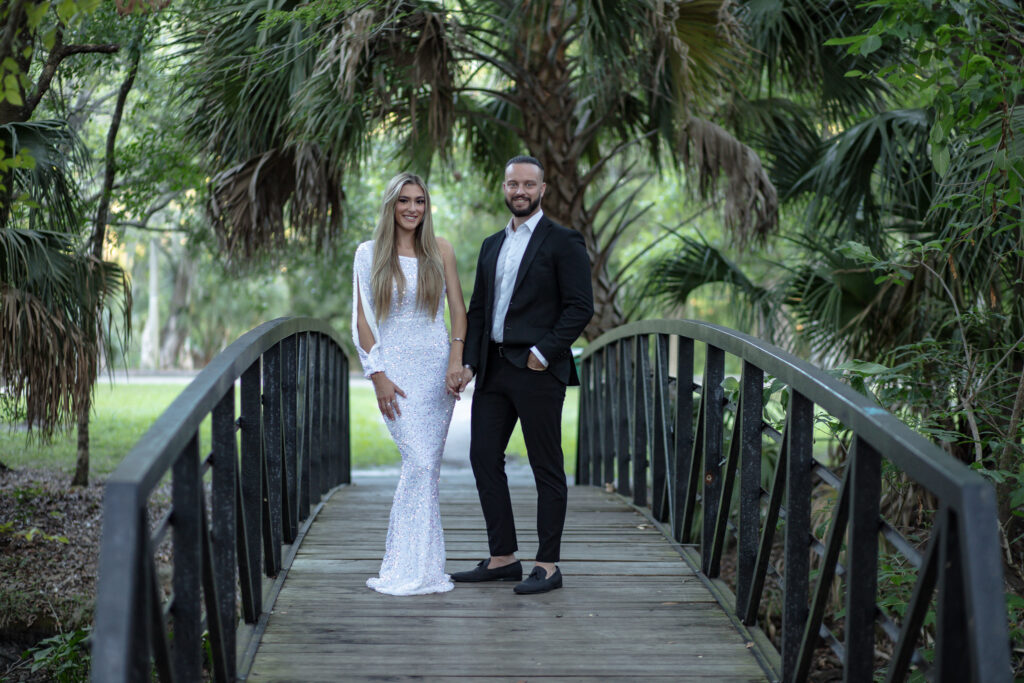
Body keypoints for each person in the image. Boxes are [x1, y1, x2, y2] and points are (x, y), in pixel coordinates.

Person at [452, 155, 594, 594]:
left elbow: (579, 307)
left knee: (545, 466)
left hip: (537, 370)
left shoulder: (563, 241)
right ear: (504, 187)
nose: (520, 191)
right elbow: (479, 309)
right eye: (513, 183)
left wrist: (542, 352)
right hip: (493, 369)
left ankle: (548, 564)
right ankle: (503, 557)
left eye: (529, 184)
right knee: (482, 457)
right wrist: (470, 362)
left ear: (543, 190)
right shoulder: (491, 244)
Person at [352, 172, 468, 596]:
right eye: (404, 201)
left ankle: (424, 567)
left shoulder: (441, 250)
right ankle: (406, 567)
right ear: (391, 205)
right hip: (395, 371)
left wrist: (456, 358)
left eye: (420, 201)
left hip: (436, 370)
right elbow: (362, 320)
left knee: (426, 471)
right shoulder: (368, 254)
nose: (412, 208)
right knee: (418, 463)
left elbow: (458, 308)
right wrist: (377, 375)